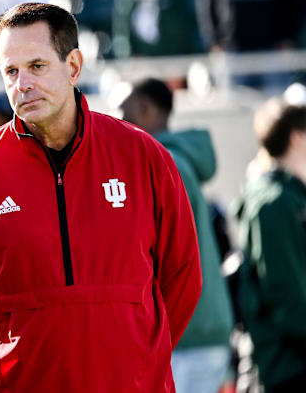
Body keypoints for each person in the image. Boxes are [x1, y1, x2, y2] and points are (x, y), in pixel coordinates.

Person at [0, 3, 202, 392]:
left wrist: (140, 356)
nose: (22, 83)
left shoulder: (143, 156)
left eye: (37, 66)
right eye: (11, 71)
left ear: (73, 66)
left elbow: (183, 275)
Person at [121, 78, 234, 393]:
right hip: (198, 331)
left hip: (186, 334)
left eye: (122, 111)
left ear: (145, 109)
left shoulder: (164, 164)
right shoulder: (174, 161)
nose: (116, 122)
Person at [234, 101, 306, 393]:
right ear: (296, 137)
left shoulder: (290, 195)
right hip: (287, 367)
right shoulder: (274, 202)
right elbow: (285, 295)